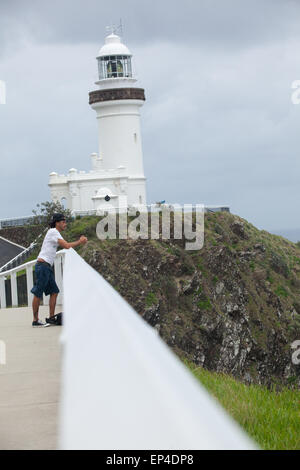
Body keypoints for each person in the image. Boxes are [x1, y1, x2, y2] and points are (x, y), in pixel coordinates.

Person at [31, 213, 87, 327]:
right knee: (38, 293)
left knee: (54, 292)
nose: (65, 224)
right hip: (42, 266)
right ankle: (35, 320)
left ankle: (51, 318)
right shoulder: (53, 231)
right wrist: (80, 241)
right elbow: (66, 246)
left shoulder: (54, 233)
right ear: (57, 223)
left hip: (46, 266)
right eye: (63, 222)